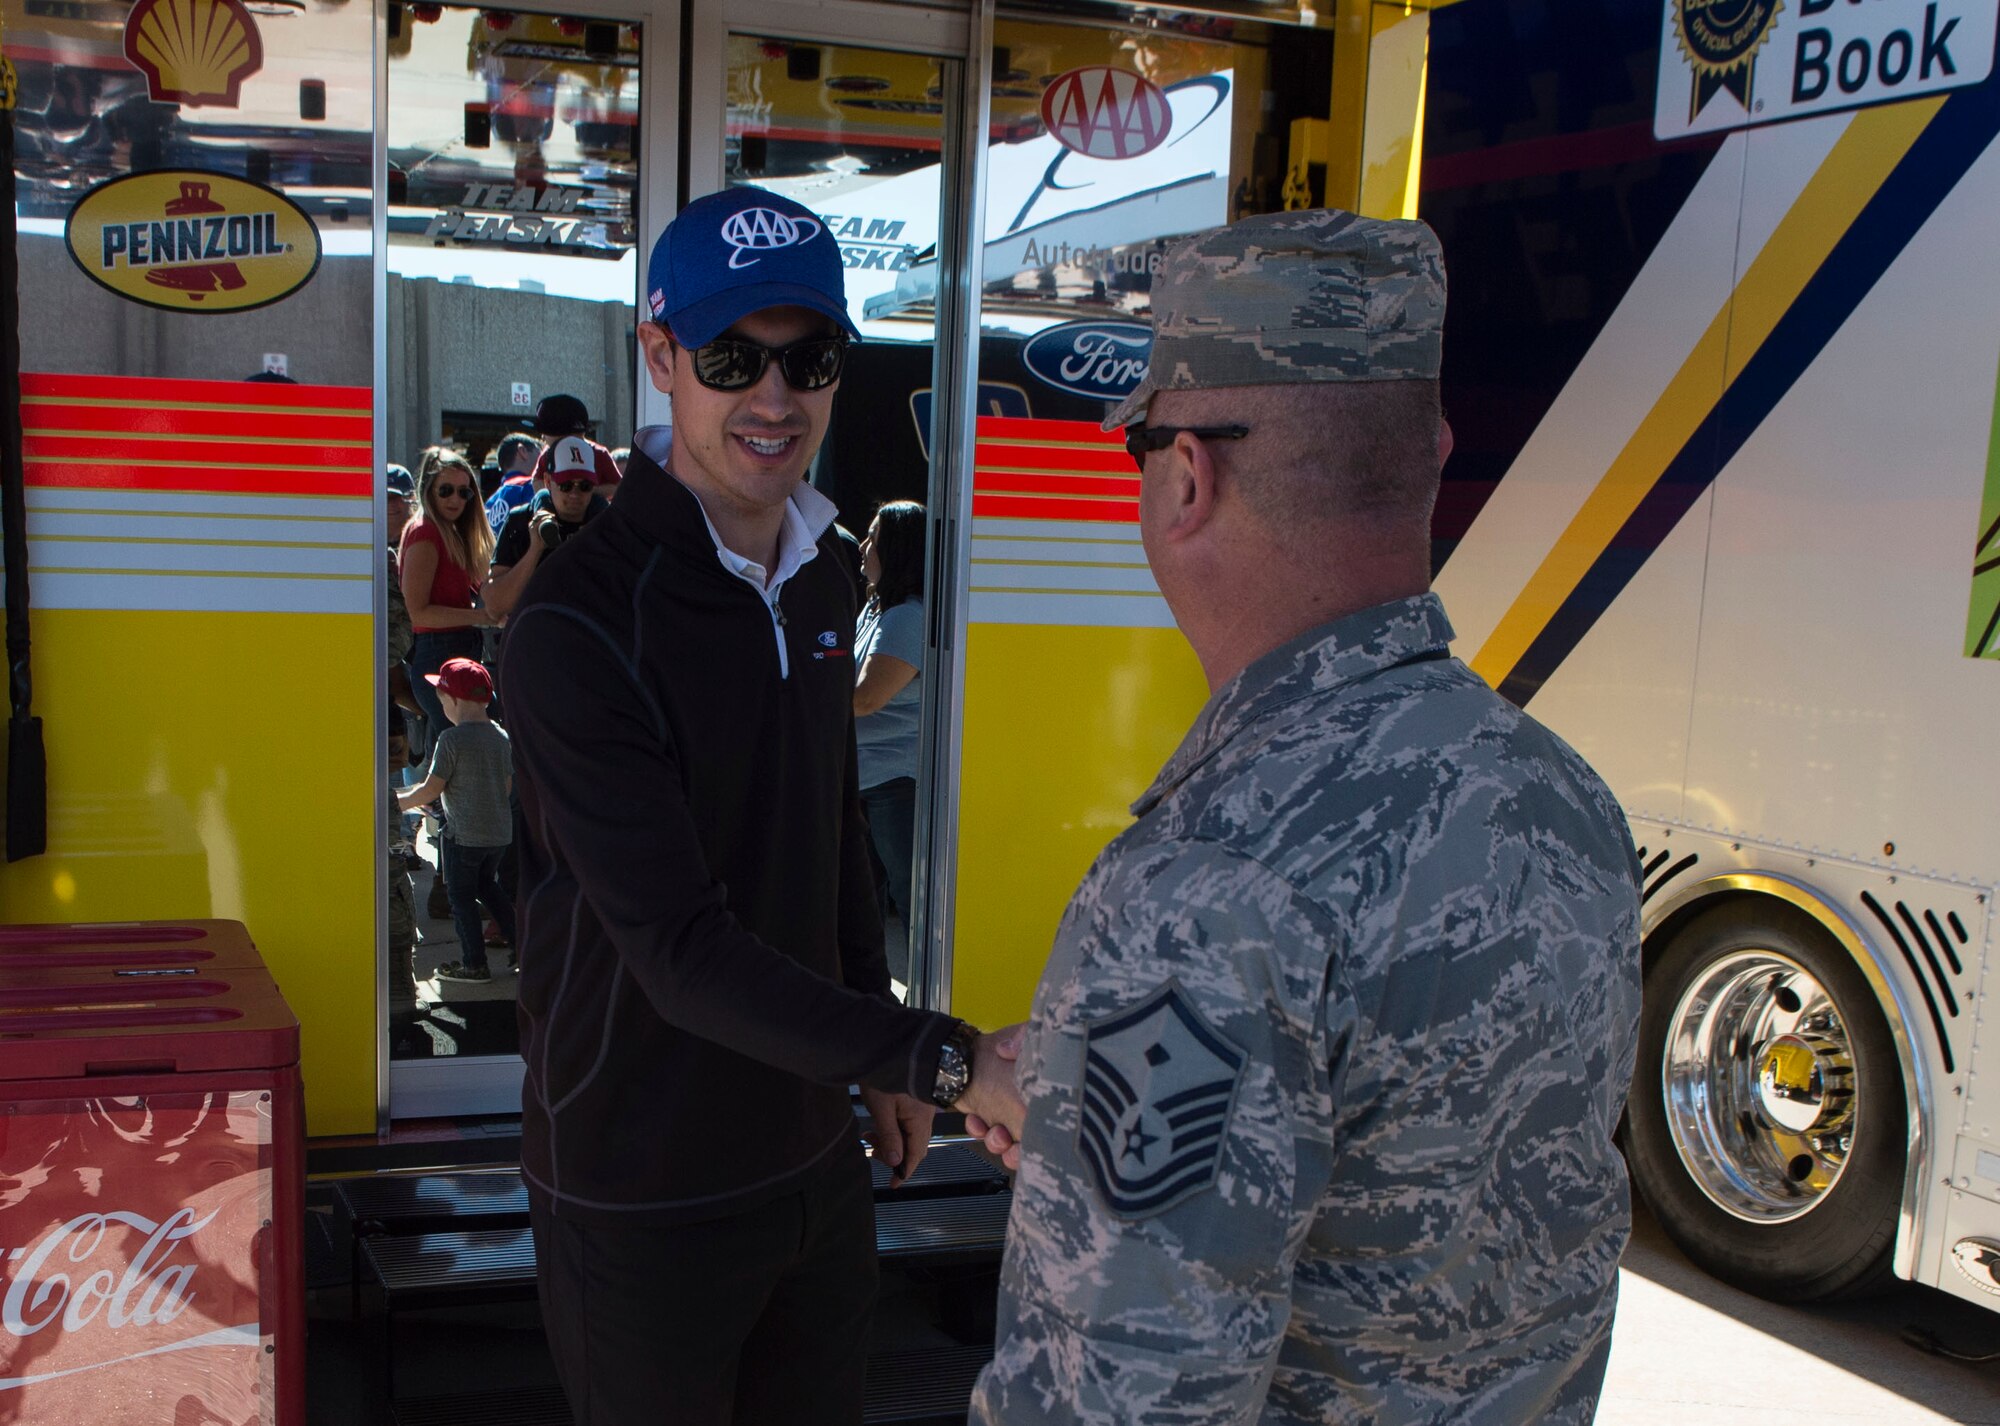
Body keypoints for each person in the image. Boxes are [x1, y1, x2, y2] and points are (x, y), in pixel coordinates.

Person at [966, 210, 1644, 1425]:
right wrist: (1087, 1087)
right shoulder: (1562, 795)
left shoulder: (1202, 886)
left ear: (1186, 477)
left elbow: (1119, 1396)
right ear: (1425, 453)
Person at [498, 185, 1019, 1426]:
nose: (774, 398)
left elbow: (826, 813)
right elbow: (676, 950)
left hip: (808, 1157)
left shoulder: (824, 573)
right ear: (661, 356)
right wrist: (944, 1058)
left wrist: (876, 1046)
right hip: (639, 1178)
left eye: (809, 359)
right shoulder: (575, 623)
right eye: (732, 357)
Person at [398, 658, 514, 984]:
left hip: (463, 837)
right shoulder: (500, 736)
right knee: (489, 888)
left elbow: (430, 789)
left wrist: (395, 803)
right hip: (498, 835)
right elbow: (504, 787)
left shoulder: (452, 739)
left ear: (454, 700)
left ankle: (473, 964)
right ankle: (525, 950)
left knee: (460, 899)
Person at [852, 500, 925, 987]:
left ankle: (927, 1002)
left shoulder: (907, 619)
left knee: (910, 902)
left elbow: (865, 698)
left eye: (874, 536)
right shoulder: (879, 610)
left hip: (894, 785)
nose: (863, 546)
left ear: (895, 549)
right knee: (861, 905)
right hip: (868, 781)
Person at [483, 436, 607, 620]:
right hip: (535, 637)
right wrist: (535, 549)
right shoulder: (522, 521)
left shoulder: (605, 524)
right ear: (548, 481)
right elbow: (495, 607)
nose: (575, 494)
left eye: (585, 486)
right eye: (565, 485)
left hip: (588, 638)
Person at [485, 430, 546, 533]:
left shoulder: (489, 503)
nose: (543, 458)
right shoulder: (530, 487)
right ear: (522, 451)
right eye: (540, 451)